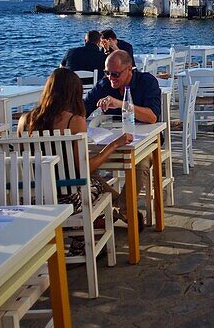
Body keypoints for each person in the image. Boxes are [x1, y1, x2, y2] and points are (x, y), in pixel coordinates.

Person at [18, 68, 131, 249]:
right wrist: (114, 145)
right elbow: (84, 169)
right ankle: (91, 230)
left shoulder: (25, 120)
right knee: (98, 183)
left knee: (94, 180)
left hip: (35, 197)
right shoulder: (74, 121)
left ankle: (88, 228)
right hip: (68, 198)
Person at [84, 50, 161, 123]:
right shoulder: (104, 85)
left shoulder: (147, 82)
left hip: (148, 134)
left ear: (129, 69)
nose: (110, 77)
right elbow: (83, 110)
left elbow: (152, 117)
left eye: (115, 74)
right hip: (115, 133)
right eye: (107, 73)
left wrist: (120, 104)